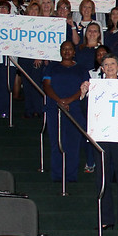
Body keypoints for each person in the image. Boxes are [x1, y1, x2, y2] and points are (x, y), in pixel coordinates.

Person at [80, 54, 118, 230]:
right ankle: (105, 219)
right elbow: (85, 112)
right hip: (102, 138)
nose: (109, 67)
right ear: (102, 68)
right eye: (106, 65)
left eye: (112, 64)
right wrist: (83, 94)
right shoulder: (95, 86)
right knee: (102, 180)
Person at [42, 41, 89, 182]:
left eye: (70, 49)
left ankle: (71, 176)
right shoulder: (52, 67)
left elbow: (84, 88)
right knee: (57, 142)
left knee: (73, 144)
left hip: (75, 108)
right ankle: (57, 175)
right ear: (60, 51)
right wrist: (59, 101)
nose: (67, 51)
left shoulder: (81, 69)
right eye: (64, 49)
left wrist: (68, 100)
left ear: (74, 52)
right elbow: (46, 85)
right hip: (54, 108)